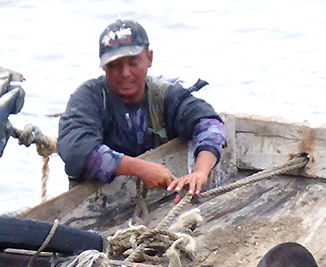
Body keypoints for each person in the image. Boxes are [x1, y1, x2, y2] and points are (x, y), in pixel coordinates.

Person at [57, 19, 226, 198]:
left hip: (162, 197)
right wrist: (141, 169)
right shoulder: (88, 98)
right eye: (115, 65)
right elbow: (76, 149)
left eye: (133, 62)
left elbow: (210, 123)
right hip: (100, 204)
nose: (125, 73)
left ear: (149, 58)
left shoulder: (165, 95)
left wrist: (200, 172)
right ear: (104, 66)